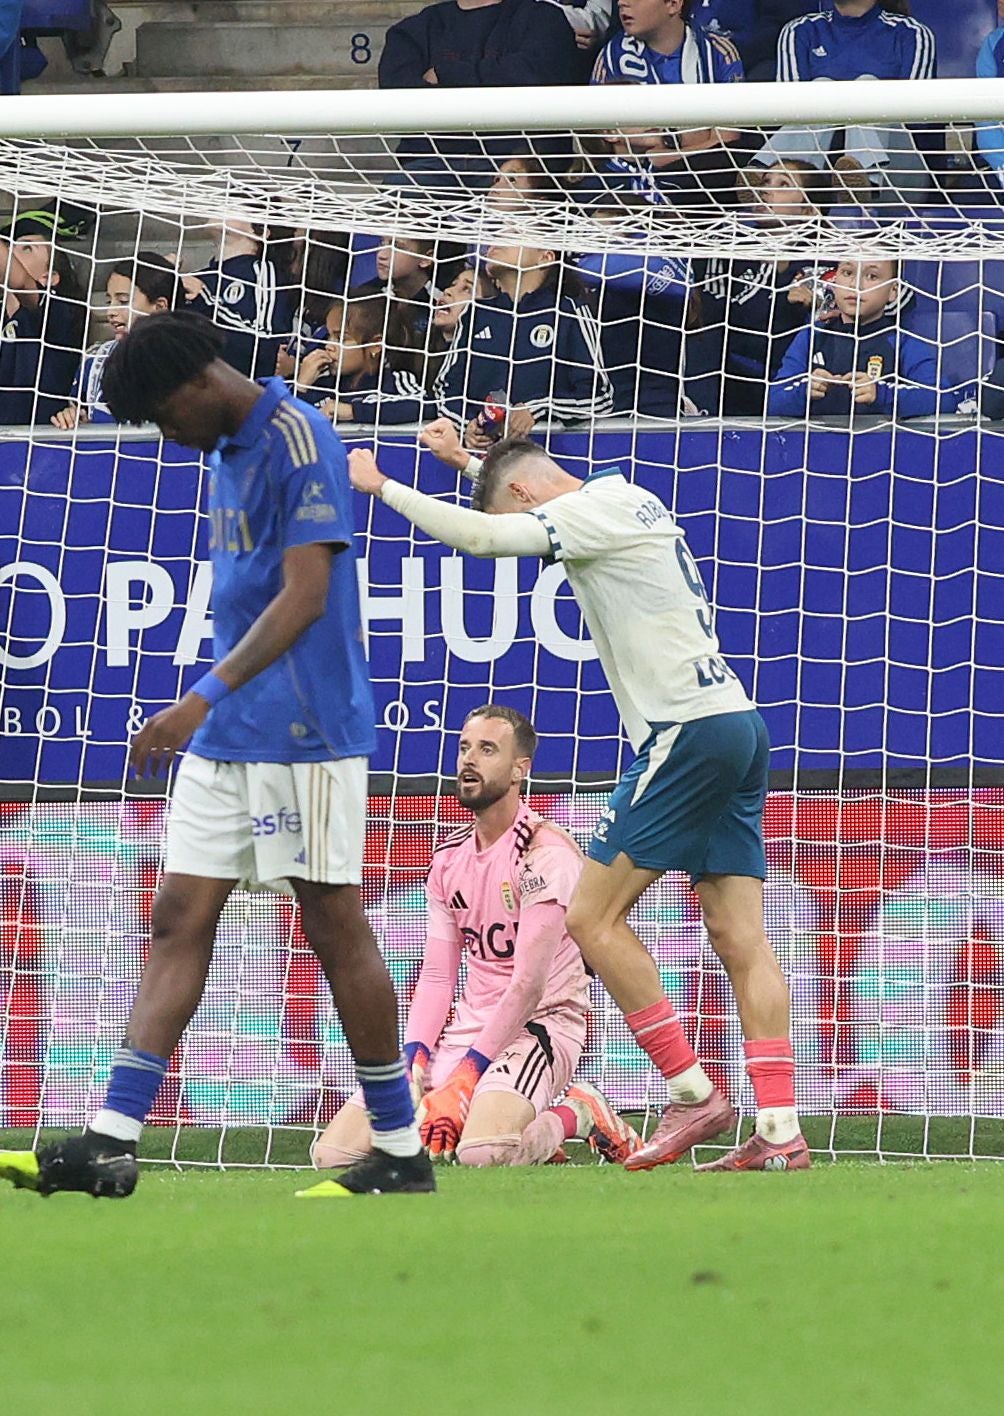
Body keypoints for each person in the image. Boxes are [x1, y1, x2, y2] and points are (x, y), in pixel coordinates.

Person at [0, 312, 433, 1200]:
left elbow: (308, 595)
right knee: (178, 915)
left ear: (200, 382)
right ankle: (113, 1139)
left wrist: (199, 696)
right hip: (232, 731)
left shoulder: (297, 434)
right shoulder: (224, 449)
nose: (167, 436)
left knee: (330, 920)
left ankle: (398, 1144)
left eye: (163, 416)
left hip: (304, 731)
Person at [348, 425, 810, 1173]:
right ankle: (781, 1133)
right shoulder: (626, 496)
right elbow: (521, 487)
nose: (520, 531)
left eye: (516, 513)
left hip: (682, 734)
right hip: (737, 723)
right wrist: (471, 463)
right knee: (737, 936)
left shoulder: (584, 513)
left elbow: (485, 537)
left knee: (591, 916)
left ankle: (691, 1088)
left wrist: (385, 487)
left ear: (526, 499)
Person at [306, 703, 641, 1183]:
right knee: (334, 1156)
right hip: (467, 1031)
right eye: (465, 747)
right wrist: (414, 1058)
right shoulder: (448, 859)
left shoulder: (545, 856)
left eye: (487, 750)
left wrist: (466, 1077)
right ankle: (469, 1096)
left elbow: (527, 986)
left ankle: (579, 1111)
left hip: (539, 1029)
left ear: (519, 769)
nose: (469, 760)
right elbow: (439, 976)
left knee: (482, 1153)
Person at [379, 0, 580, 185]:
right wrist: (497, 83)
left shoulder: (544, 19)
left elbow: (537, 75)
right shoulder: (412, 31)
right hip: (430, 168)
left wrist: (447, 74)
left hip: (523, 171)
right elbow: (401, 102)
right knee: (400, 190)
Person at [688, 160, 831, 416]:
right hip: (728, 382)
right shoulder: (727, 246)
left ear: (809, 211)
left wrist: (818, 306)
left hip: (795, 387)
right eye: (765, 182)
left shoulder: (829, 260)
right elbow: (712, 317)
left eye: (783, 185)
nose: (765, 190)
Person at [434, 244, 613, 446]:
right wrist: (466, 425)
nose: (495, 244)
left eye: (512, 235)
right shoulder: (473, 315)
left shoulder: (569, 311)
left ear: (545, 257)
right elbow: (446, 388)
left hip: (551, 455)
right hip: (482, 459)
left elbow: (599, 398)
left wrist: (536, 408)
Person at [759, 0, 937, 203]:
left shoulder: (911, 33)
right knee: (822, 86)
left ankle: (863, 181)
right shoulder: (799, 30)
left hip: (895, 176)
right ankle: (767, 179)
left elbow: (919, 122)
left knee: (866, 85)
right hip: (810, 181)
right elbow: (786, 113)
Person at [591, 1, 747, 205]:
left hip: (701, 190)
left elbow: (727, 144)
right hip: (624, 187)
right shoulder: (611, 58)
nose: (622, 3)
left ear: (673, 4)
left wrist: (662, 157)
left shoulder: (717, 52)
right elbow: (596, 140)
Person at [767, 257, 940, 419]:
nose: (855, 285)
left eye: (871, 276)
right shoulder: (812, 335)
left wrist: (881, 395)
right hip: (813, 448)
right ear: (835, 280)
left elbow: (942, 399)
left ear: (893, 290)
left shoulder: (903, 342)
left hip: (881, 448)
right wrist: (804, 391)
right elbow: (772, 402)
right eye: (847, 273)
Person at [51, 252, 179, 429]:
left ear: (159, 307)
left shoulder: (188, 363)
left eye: (123, 301)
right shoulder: (94, 358)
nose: (111, 311)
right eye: (109, 300)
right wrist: (70, 417)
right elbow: (77, 410)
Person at [291, 290, 429, 425]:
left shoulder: (394, 382)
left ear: (375, 345)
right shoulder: (321, 384)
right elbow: (281, 422)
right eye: (329, 336)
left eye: (341, 339)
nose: (328, 346)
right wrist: (301, 386)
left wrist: (352, 411)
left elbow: (426, 405)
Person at [0, 211, 85, 425]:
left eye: (27, 247)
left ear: (49, 277)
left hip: (41, 445)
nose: (10, 249)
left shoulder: (55, 310)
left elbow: (19, 281)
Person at [184, 218, 294, 380]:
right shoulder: (199, 277)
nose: (223, 206)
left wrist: (206, 301)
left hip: (237, 390)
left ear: (260, 232)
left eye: (236, 204)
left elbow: (266, 346)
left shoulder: (261, 271)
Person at [975, 3, 1004, 191]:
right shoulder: (995, 42)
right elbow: (984, 114)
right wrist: (1001, 165)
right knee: (969, 197)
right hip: (1000, 165)